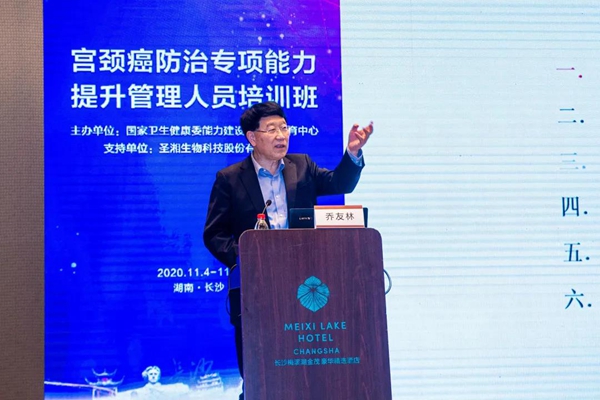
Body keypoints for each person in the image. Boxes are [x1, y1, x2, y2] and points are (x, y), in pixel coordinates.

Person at [203, 101, 373, 400]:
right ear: (252, 138)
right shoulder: (229, 178)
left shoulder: (302, 166)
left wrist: (353, 152)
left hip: (305, 286)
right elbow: (214, 234)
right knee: (260, 373)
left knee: (305, 372)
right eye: (271, 129)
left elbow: (340, 182)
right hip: (256, 291)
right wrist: (248, 258)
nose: (281, 135)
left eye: (284, 128)